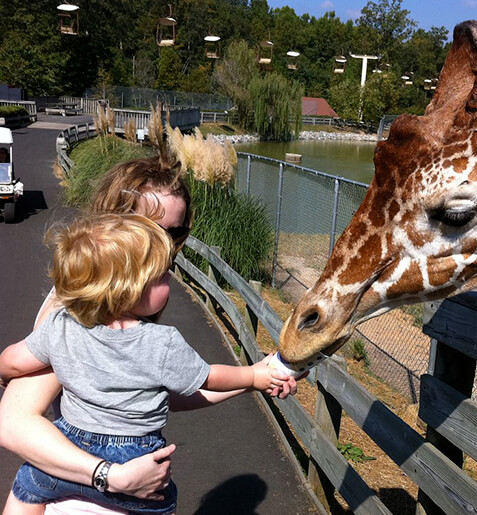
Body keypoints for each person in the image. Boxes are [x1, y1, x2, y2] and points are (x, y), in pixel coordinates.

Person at [0, 155, 297, 513]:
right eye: (151, 229)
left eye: (175, 233)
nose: (166, 247)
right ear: (114, 223)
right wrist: (110, 476)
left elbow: (151, 393)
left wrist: (255, 379)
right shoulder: (75, 311)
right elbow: (13, 423)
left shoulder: (118, 306)